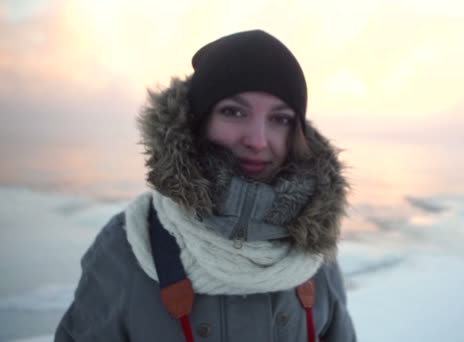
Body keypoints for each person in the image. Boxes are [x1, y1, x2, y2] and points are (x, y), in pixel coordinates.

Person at [55, 29, 356, 341]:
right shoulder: (127, 247)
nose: (257, 140)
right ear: (198, 120)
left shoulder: (313, 254)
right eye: (234, 112)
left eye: (280, 119)